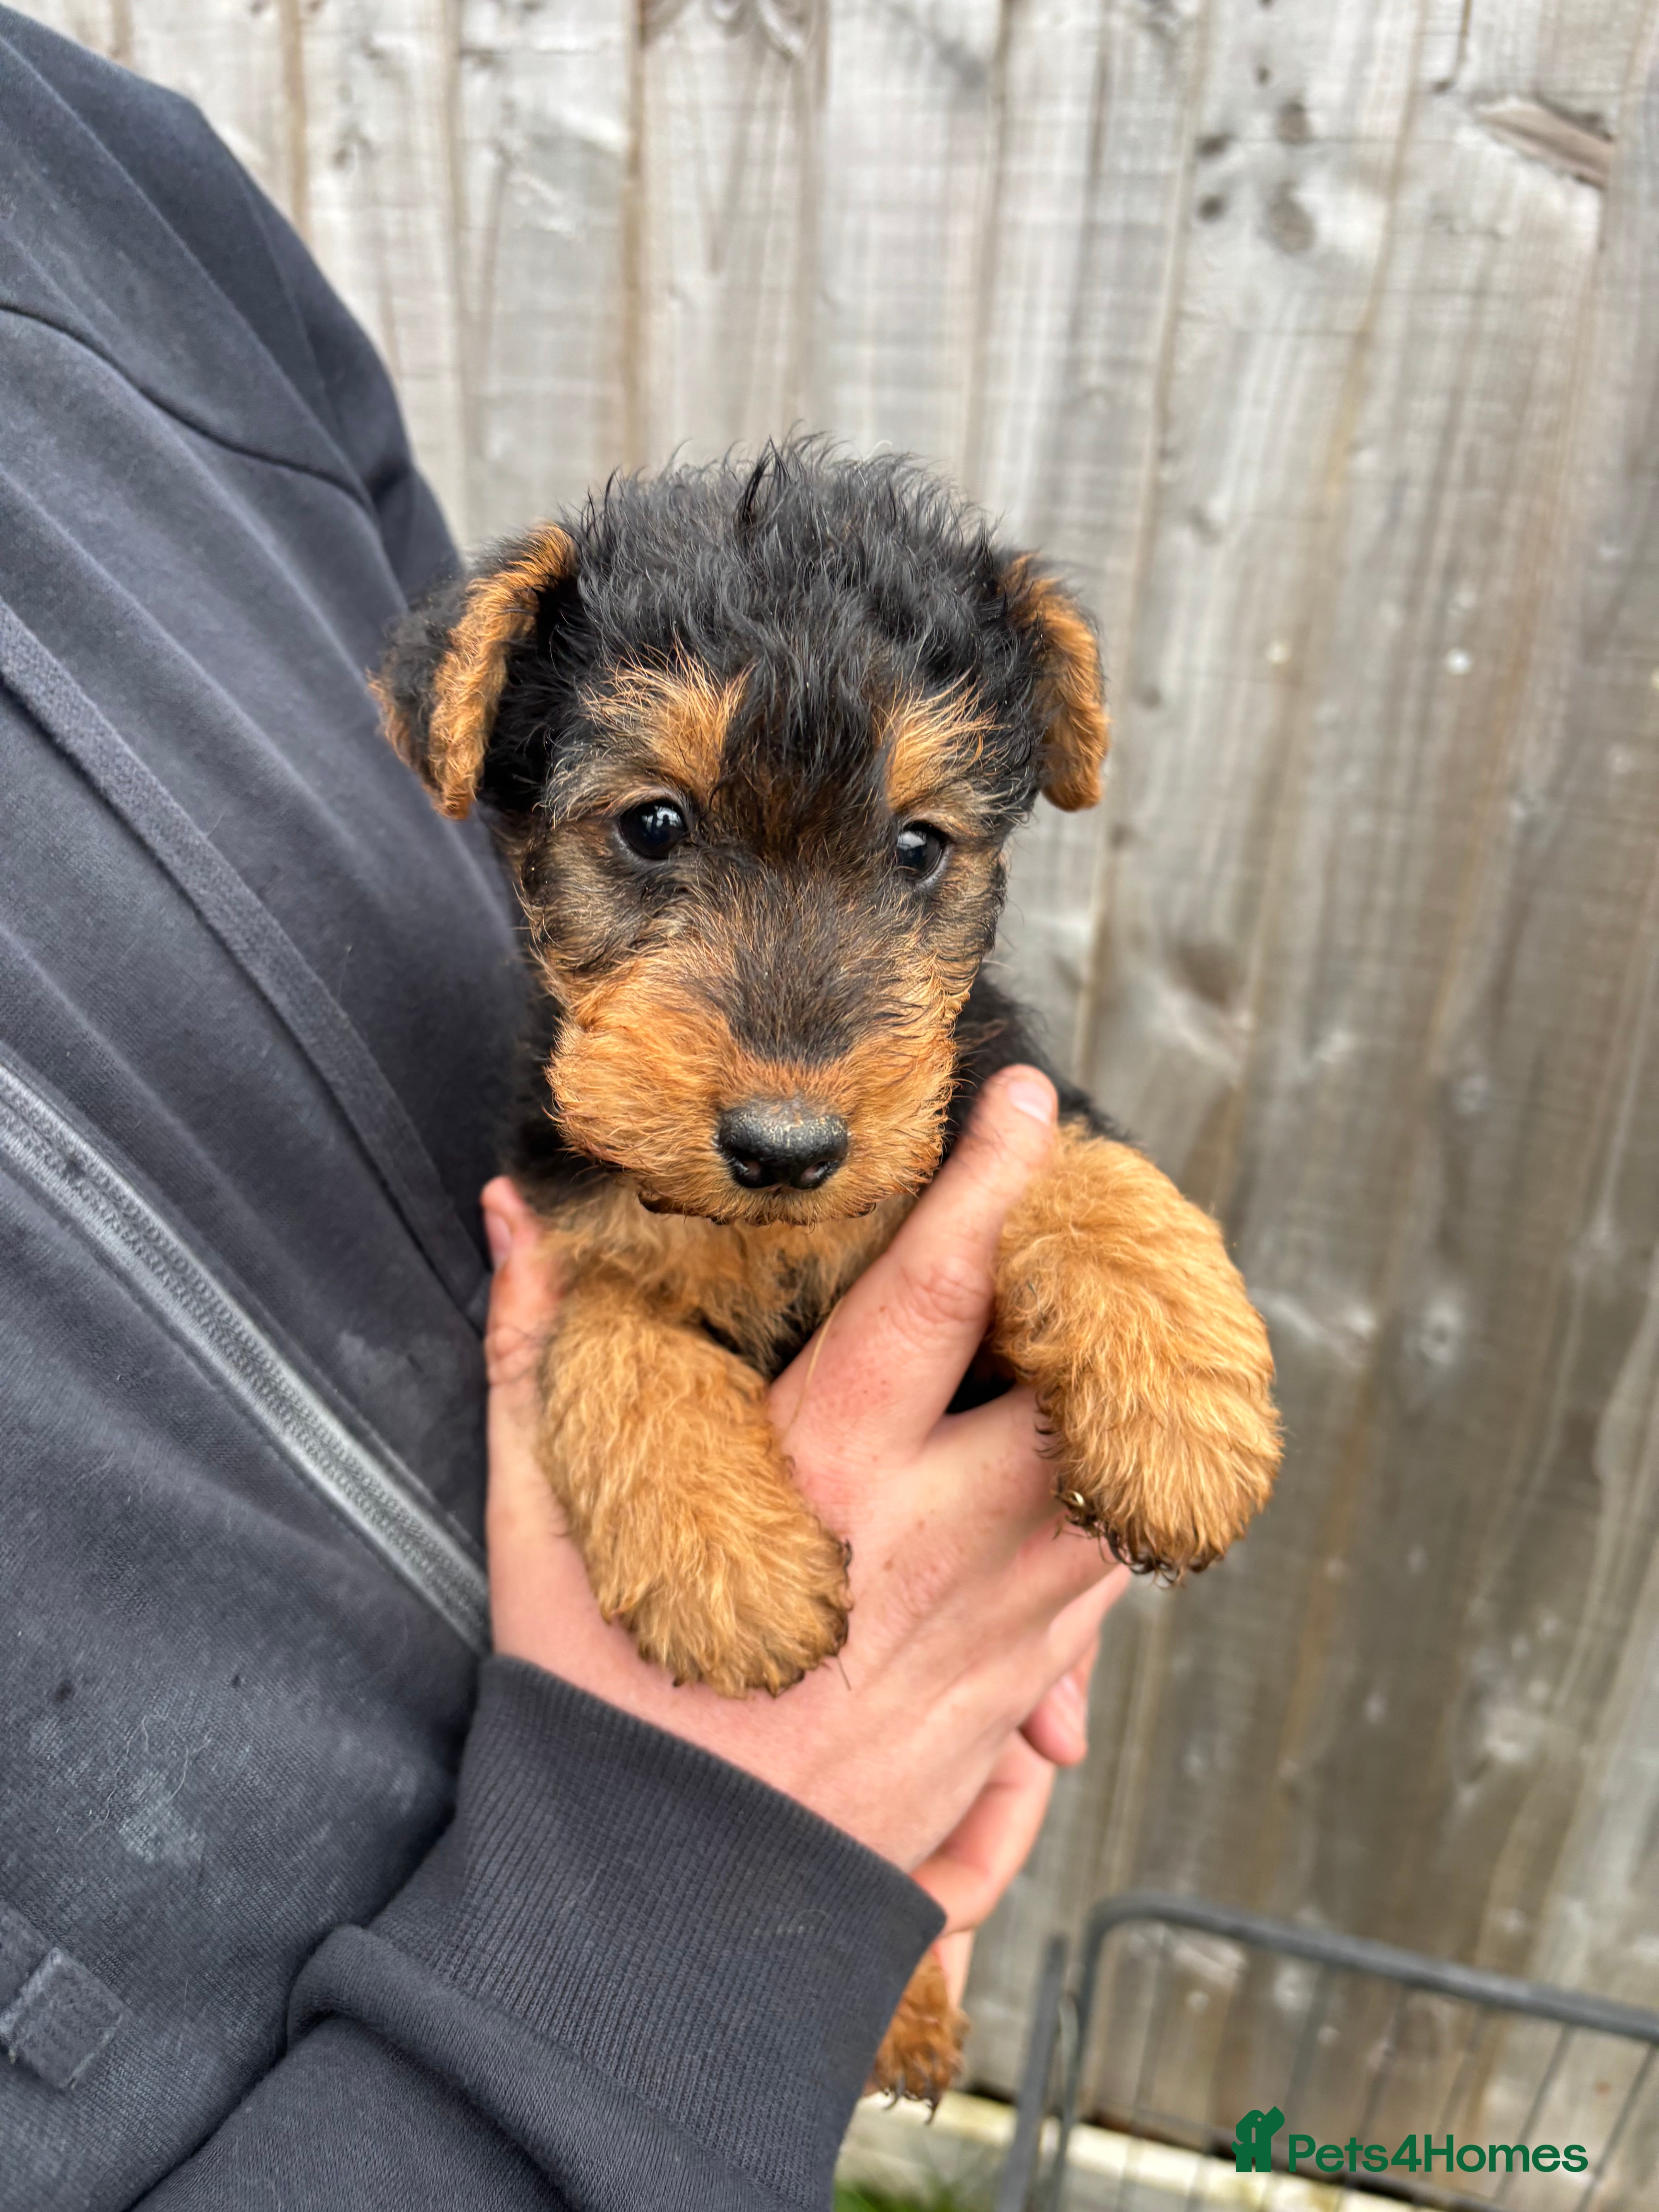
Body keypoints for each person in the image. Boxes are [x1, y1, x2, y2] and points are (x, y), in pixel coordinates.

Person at [0, 11, 1127, 2206]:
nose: (787, 1050)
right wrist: (696, 1917)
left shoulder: (104, 178)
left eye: (915, 862)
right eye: (650, 840)